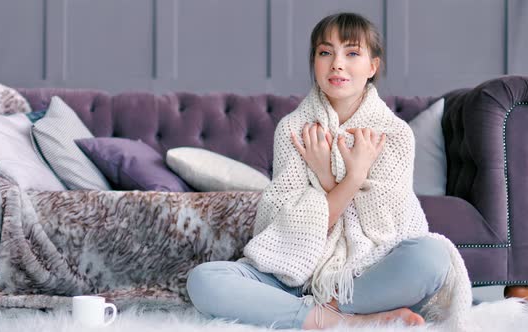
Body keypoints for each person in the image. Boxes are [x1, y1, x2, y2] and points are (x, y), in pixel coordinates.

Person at [186, 12, 472, 330]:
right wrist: (351, 180)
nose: (337, 64)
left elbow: (384, 228)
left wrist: (329, 180)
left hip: (367, 277)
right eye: (326, 53)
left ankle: (325, 311)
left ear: (372, 66)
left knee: (431, 256)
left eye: (352, 53)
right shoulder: (293, 129)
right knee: (203, 280)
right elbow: (289, 226)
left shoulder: (394, 133)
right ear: (315, 62)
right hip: (293, 274)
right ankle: (342, 321)